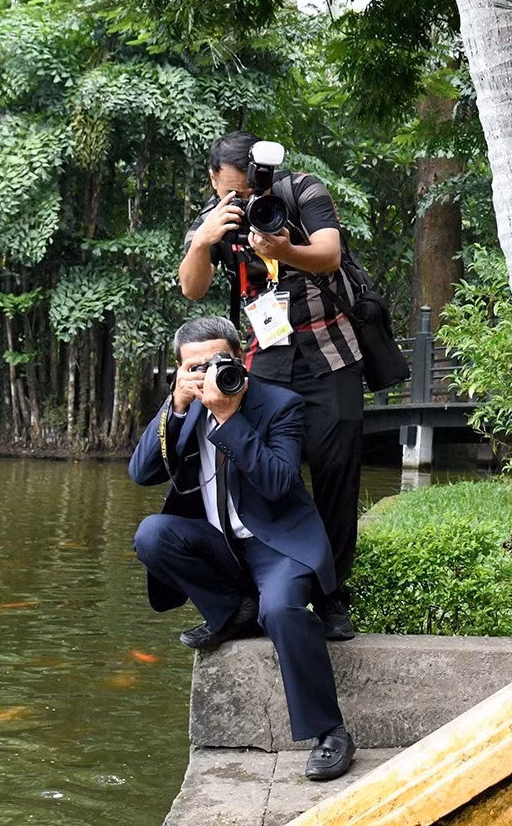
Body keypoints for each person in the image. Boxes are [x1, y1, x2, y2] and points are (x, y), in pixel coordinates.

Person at [129, 316, 355, 781]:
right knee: (152, 533)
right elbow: (141, 473)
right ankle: (234, 610)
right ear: (179, 370)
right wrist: (175, 405)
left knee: (282, 611)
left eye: (219, 362)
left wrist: (229, 418)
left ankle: (331, 732)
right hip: (220, 545)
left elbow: (278, 483)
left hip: (277, 544)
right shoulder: (184, 406)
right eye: (195, 367)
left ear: (241, 358)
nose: (209, 374)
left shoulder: (280, 404)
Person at [180, 131, 361, 642]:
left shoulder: (302, 191)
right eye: (231, 192)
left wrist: (285, 249)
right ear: (215, 180)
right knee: (259, 475)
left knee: (335, 476)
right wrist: (203, 239)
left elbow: (328, 255)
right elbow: (192, 288)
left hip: (332, 354)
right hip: (264, 363)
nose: (242, 202)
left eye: (250, 190)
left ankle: (331, 597)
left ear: (265, 171)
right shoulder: (217, 218)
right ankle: (254, 595)